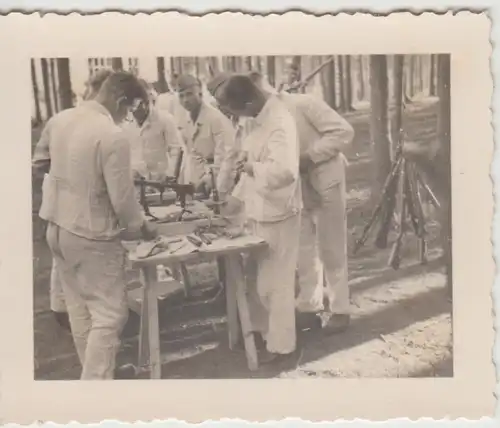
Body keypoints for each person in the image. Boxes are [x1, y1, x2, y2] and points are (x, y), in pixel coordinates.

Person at [38, 71, 158, 380]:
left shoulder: (60, 119)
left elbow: (40, 164)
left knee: (81, 311)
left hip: (57, 226)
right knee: (110, 314)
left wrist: (71, 183)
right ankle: (96, 386)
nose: (127, 118)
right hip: (91, 234)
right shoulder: (112, 135)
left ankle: (95, 377)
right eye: (129, 111)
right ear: (120, 101)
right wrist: (142, 227)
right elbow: (123, 203)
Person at [249, 70, 355, 334]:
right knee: (304, 248)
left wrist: (310, 156)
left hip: (326, 178)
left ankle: (340, 308)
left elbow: (344, 132)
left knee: (331, 244)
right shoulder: (262, 120)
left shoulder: (304, 104)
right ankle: (310, 307)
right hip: (296, 187)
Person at [217, 74, 302, 364]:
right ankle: (261, 334)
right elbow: (248, 167)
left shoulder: (279, 122)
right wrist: (235, 201)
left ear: (251, 101)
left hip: (280, 212)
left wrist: (252, 168)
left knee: (276, 285)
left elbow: (286, 172)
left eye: (236, 111)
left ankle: (281, 348)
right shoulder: (254, 119)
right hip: (258, 211)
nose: (236, 118)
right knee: (258, 282)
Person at [32, 69, 113, 330]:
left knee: (65, 260)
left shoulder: (60, 119)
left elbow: (38, 164)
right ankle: (64, 309)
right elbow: (39, 165)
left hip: (62, 205)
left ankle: (66, 310)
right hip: (74, 206)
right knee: (76, 264)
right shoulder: (72, 120)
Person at [175, 74, 237, 198]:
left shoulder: (216, 119)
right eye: (181, 96)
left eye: (189, 94)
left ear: (200, 94)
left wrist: (210, 180)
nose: (185, 100)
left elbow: (225, 156)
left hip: (212, 184)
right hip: (191, 181)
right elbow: (187, 155)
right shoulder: (184, 119)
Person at [129, 79, 184, 181]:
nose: (143, 108)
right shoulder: (126, 124)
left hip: (160, 182)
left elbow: (176, 149)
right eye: (137, 105)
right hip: (135, 181)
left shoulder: (165, 119)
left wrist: (170, 175)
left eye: (145, 102)